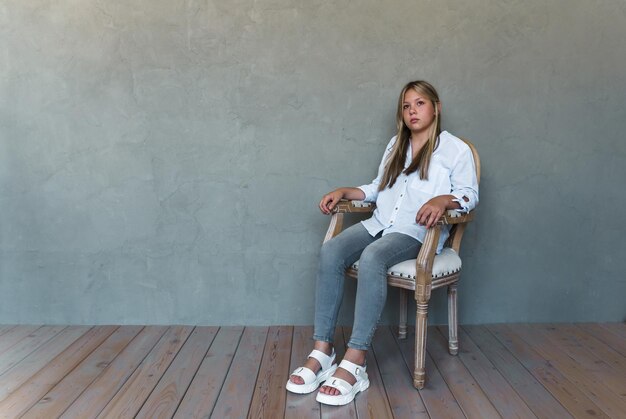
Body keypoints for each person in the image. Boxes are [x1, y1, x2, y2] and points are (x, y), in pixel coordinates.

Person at [285, 80, 479, 405]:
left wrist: (443, 199)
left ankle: (356, 360)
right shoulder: (396, 145)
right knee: (331, 250)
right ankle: (323, 351)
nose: (412, 111)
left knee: (374, 257)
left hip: (415, 233)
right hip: (379, 224)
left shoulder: (455, 149)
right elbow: (378, 188)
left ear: (437, 107)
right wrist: (346, 191)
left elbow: (469, 197)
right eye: (406, 106)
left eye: (419, 103)